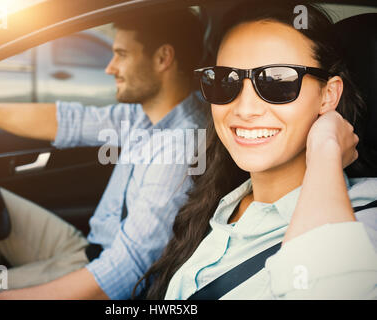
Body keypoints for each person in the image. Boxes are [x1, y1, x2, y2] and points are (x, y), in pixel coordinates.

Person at [0, 8, 208, 299]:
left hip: (93, 270)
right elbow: (70, 120)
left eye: (121, 54)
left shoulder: (181, 146)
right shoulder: (144, 114)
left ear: (163, 58)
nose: (109, 68)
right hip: (87, 245)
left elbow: (124, 272)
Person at [136, 1, 377, 300]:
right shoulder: (219, 201)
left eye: (278, 81)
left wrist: (326, 151)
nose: (245, 109)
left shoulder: (363, 221)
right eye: (225, 81)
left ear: (328, 95)